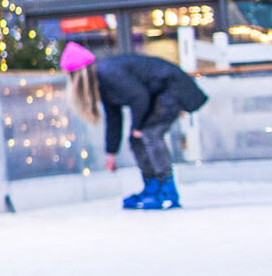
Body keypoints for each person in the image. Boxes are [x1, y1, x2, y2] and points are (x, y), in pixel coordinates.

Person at [61, 41, 203, 210]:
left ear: (79, 75)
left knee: (149, 134)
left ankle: (167, 188)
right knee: (137, 140)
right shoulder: (102, 82)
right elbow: (114, 119)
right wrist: (111, 154)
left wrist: (137, 127)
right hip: (161, 94)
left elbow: (140, 97)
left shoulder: (107, 72)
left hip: (174, 89)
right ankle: (152, 186)